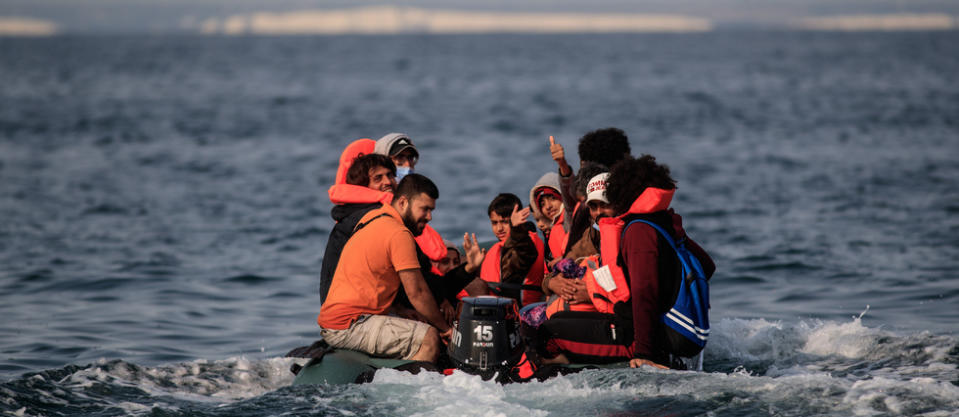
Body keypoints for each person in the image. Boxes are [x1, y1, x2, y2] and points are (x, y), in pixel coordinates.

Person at [537, 155, 715, 369]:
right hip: (646, 330)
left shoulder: (638, 231)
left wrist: (644, 354)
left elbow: (644, 292)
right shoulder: (662, 221)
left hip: (641, 340)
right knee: (555, 323)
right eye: (593, 206)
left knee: (549, 333)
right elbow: (707, 266)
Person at [318, 174, 485, 363]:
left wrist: (398, 309)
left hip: (341, 320)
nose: (429, 217)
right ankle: (414, 389)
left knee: (418, 321)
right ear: (404, 202)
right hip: (349, 325)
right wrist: (445, 329)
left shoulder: (373, 217)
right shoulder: (398, 233)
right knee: (428, 338)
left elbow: (372, 279)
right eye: (425, 209)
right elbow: (418, 293)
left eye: (432, 210)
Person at [319, 145, 395, 303]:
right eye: (378, 178)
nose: (388, 182)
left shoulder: (364, 214)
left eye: (390, 175)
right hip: (352, 312)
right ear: (363, 187)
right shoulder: (369, 219)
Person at [548, 130, 631, 261]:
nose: (598, 211)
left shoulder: (625, 225)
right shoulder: (583, 212)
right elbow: (571, 203)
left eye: (603, 205)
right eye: (592, 206)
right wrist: (563, 166)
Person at [374, 132, 448, 263]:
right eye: (399, 159)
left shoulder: (415, 204)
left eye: (411, 159)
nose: (407, 165)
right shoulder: (372, 210)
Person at [479, 193, 546, 307]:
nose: (499, 228)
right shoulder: (501, 246)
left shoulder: (526, 241)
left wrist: (517, 229)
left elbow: (523, 255)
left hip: (519, 312)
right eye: (494, 223)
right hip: (494, 309)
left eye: (505, 222)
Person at [528, 172, 564, 262]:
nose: (548, 206)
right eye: (542, 204)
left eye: (553, 198)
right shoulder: (552, 233)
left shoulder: (576, 221)